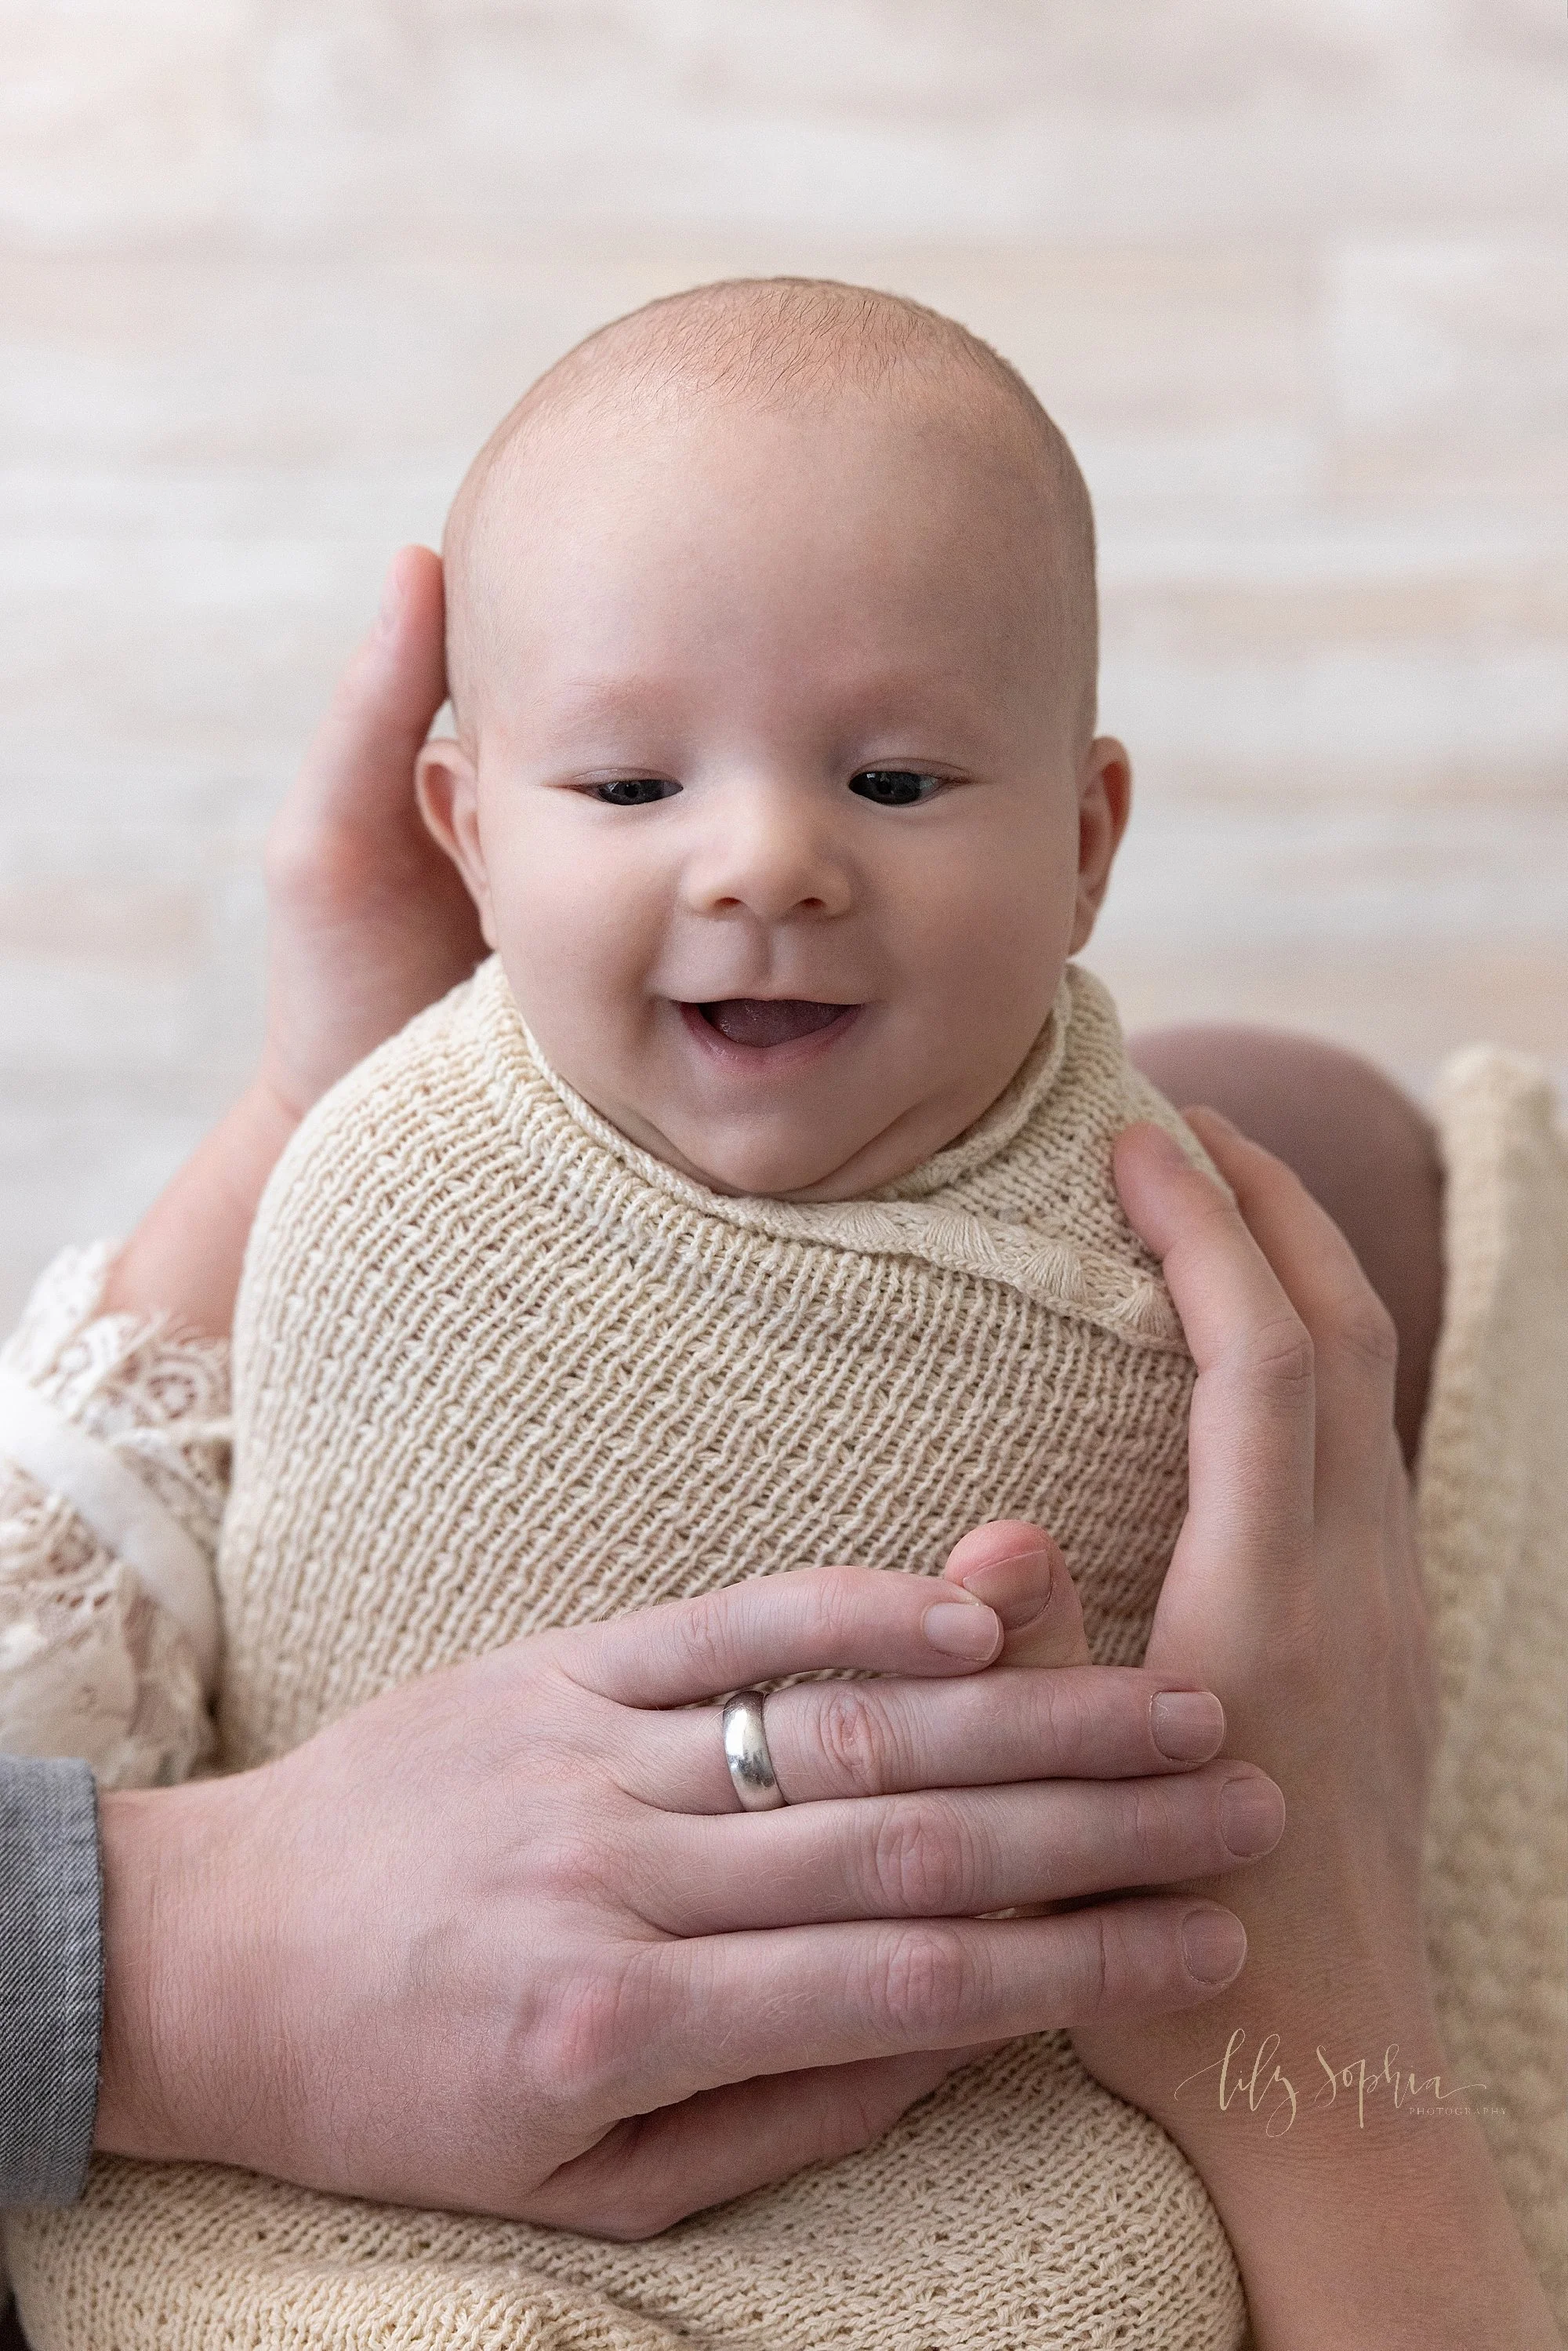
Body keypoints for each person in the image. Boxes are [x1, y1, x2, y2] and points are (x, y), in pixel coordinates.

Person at [2, 279, 1563, 2349]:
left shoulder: (1149, 1276)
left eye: (900, 782)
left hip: (936, 2151)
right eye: (632, 787)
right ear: (468, 831)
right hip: (281, 2214)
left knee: (1326, 1141)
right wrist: (1340, 2059)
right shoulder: (389, 1196)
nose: (770, 859)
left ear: (1090, 843)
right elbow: (103, 1645)